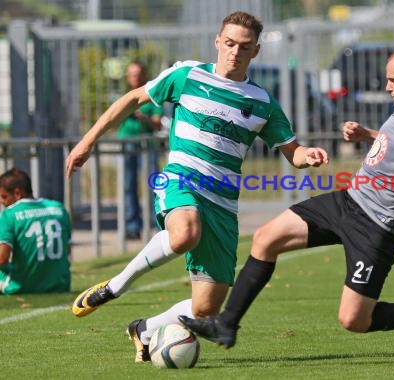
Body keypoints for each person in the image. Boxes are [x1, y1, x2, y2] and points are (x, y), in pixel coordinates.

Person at [65, 11, 328, 363]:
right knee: (185, 232)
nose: (235, 52)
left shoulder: (263, 102)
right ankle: (115, 286)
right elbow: (132, 99)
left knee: (205, 311)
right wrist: (88, 141)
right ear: (218, 42)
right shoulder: (187, 75)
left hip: (223, 204)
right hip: (180, 178)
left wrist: (306, 155)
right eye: (230, 43)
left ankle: (144, 328)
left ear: (256, 52)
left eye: (244, 47)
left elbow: (292, 153)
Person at [179, 46, 394, 349]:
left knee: (354, 320)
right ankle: (226, 325)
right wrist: (369, 135)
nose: (386, 86)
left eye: (391, 80)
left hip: (377, 228)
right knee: (266, 239)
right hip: (347, 201)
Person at [0, 168, 72, 294]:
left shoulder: (9, 214)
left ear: (17, 193)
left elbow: (2, 258)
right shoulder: (59, 208)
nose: (1, 201)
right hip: (60, 285)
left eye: (4, 196)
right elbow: (68, 250)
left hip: (23, 287)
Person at [119, 61, 164, 240]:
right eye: (132, 74)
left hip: (147, 147)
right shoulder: (124, 96)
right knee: (128, 186)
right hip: (126, 145)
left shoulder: (151, 96)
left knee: (155, 186)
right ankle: (133, 226)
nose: (135, 77)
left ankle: (157, 224)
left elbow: (157, 123)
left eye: (138, 73)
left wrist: (142, 117)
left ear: (144, 75)